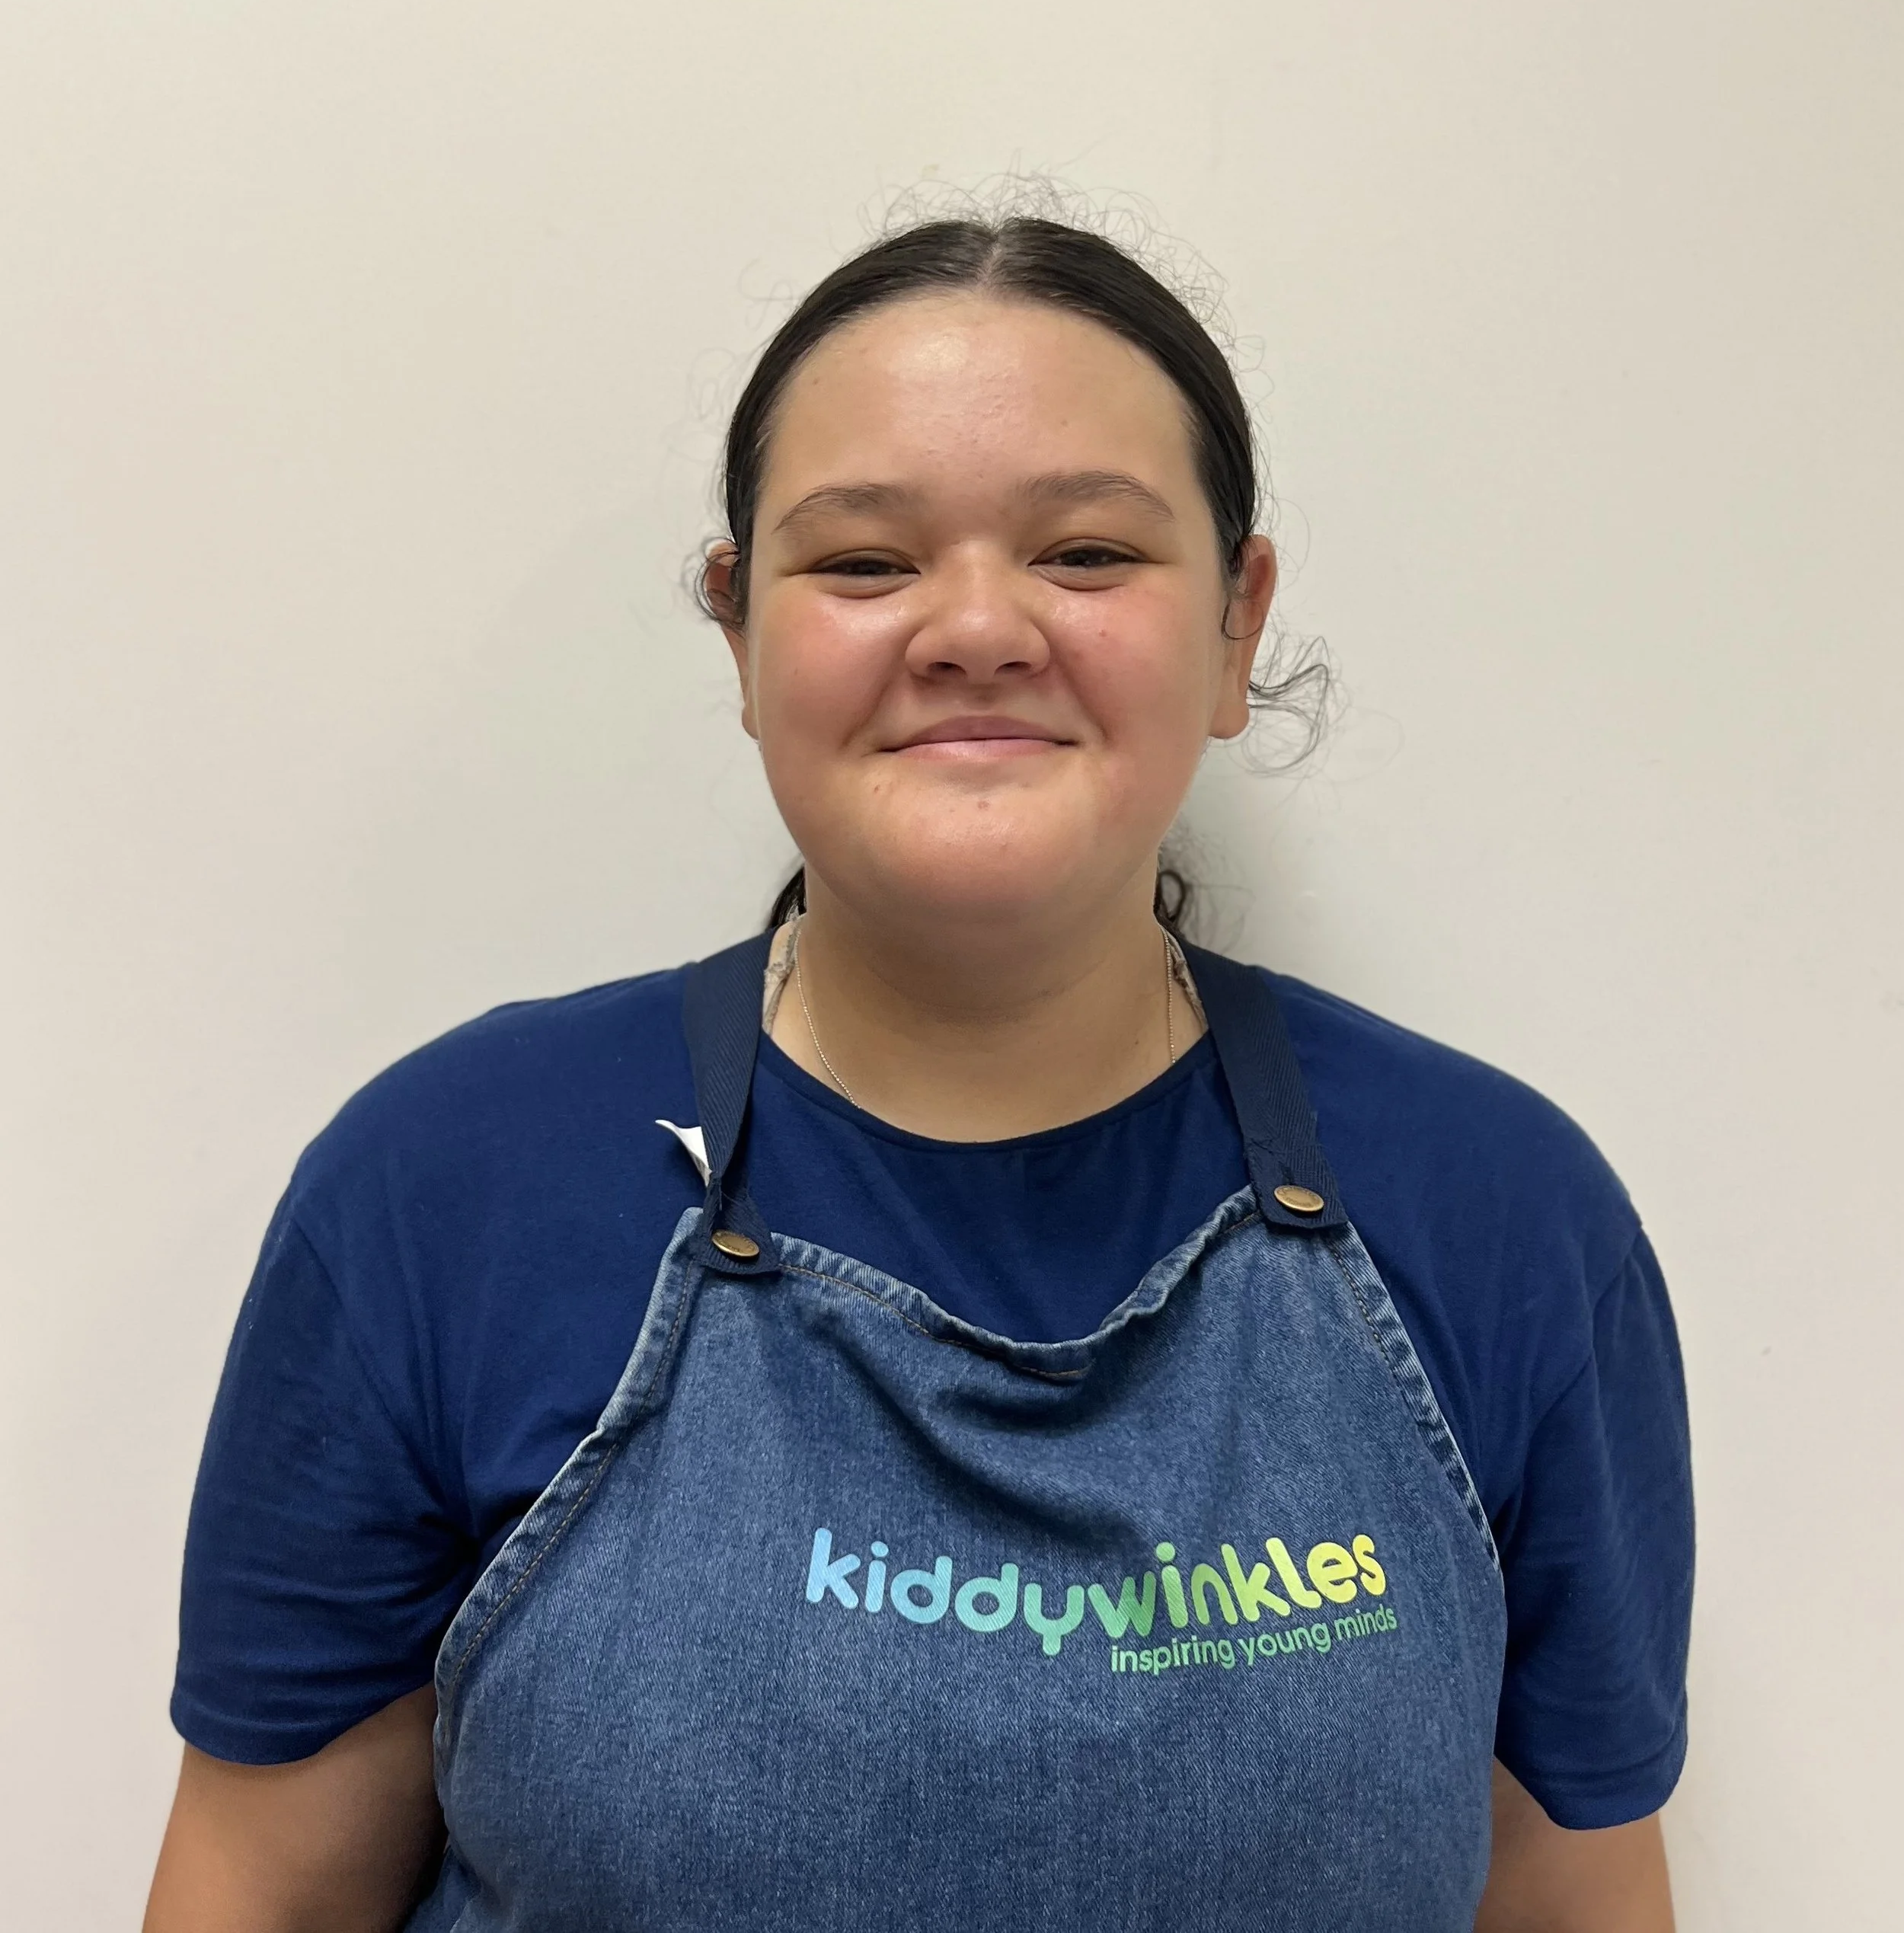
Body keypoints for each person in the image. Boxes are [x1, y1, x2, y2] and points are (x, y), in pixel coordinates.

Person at [145, 216, 1692, 1933]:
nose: (975, 628)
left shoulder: (1503, 1215)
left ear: (1234, 625)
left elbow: (1574, 1894)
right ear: (739, 630)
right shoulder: (450, 1189)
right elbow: (253, 1896)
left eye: (1087, 551)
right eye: (865, 561)